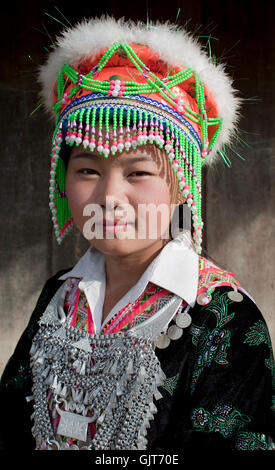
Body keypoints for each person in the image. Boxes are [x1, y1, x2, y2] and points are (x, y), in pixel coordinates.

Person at [0, 17, 274, 452]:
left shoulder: (225, 319)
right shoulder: (59, 296)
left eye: (139, 172)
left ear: (183, 184)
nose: (110, 196)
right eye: (88, 170)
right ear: (62, 179)